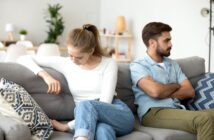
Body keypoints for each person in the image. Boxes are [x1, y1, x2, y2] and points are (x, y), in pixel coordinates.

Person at [17, 24, 134, 140]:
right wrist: (45, 75)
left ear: (91, 51)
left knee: (85, 104)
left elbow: (105, 103)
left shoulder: (109, 64)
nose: (73, 60)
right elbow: (23, 58)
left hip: (117, 114)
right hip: (90, 121)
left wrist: (67, 126)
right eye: (70, 55)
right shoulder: (66, 63)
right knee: (103, 130)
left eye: (79, 57)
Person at [130, 22, 214, 140]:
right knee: (204, 119)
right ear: (152, 43)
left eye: (170, 40)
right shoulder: (138, 65)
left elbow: (189, 91)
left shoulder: (173, 64)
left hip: (176, 108)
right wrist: (175, 85)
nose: (170, 44)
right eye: (166, 40)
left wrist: (164, 92)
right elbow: (155, 92)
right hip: (153, 112)